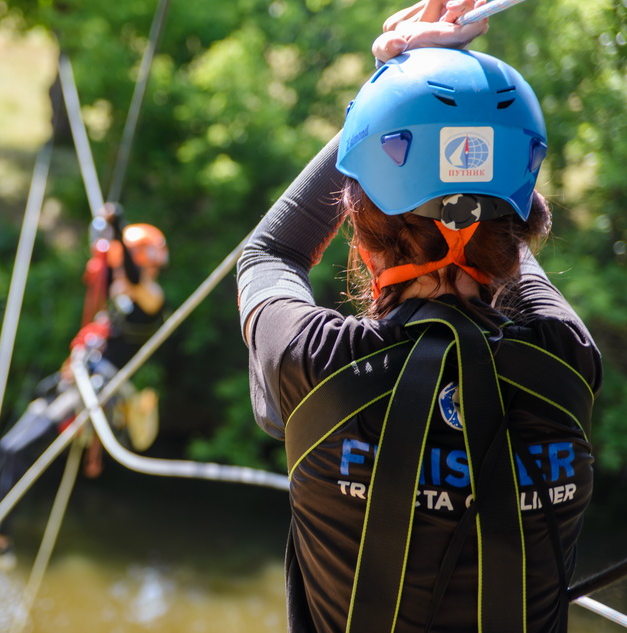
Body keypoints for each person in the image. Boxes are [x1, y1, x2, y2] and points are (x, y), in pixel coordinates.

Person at [236, 2, 601, 632]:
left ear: (360, 231)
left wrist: (392, 88)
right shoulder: (563, 364)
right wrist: (445, 109)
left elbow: (270, 252)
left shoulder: (316, 364)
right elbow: (504, 241)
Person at [0, 204, 168, 566]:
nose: (118, 268)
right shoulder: (122, 295)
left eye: (124, 260)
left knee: (23, 449)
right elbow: (114, 276)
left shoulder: (151, 296)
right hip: (71, 383)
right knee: (9, 447)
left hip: (91, 391)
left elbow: (131, 276)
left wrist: (117, 227)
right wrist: (106, 239)